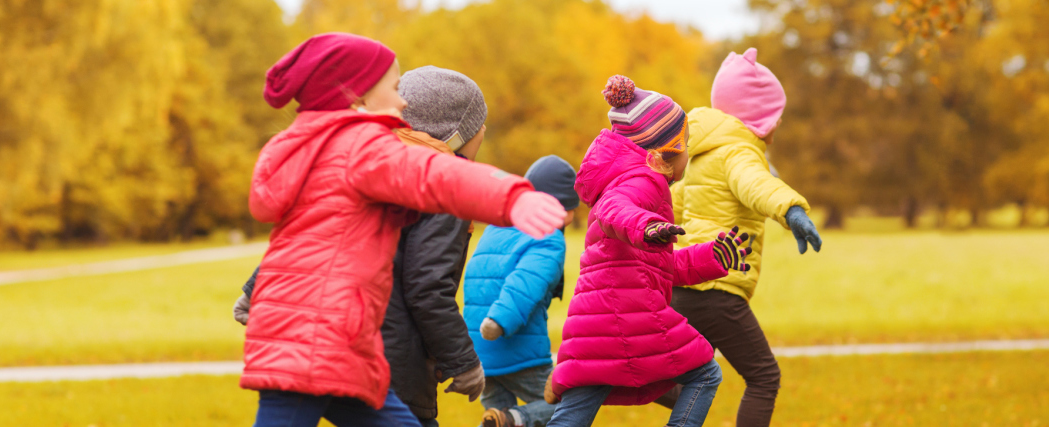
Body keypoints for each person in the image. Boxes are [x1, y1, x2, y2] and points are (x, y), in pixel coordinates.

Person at [238, 33, 567, 427]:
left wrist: (253, 292)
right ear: (357, 96)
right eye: (394, 88)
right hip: (318, 346)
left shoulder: (315, 151)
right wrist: (512, 195)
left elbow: (310, 238)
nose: (403, 101)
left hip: (337, 347)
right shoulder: (371, 150)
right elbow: (438, 176)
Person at [544, 75, 752, 427]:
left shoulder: (628, 178)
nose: (689, 151)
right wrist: (647, 226)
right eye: (685, 143)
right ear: (665, 153)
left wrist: (713, 258)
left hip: (596, 324)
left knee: (574, 411)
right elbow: (615, 211)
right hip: (627, 315)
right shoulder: (641, 181)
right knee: (705, 374)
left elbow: (658, 266)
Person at [660, 47, 823, 427]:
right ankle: (607, 381)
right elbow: (756, 185)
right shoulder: (739, 152)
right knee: (764, 378)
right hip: (719, 288)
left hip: (684, 285)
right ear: (760, 118)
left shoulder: (699, 155)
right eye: (776, 116)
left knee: (692, 380)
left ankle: (611, 381)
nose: (778, 124)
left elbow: (671, 209)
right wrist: (791, 210)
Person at [463, 155, 580, 427]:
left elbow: (477, 280)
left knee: (498, 418)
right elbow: (525, 282)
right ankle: (518, 418)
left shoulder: (496, 228)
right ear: (560, 207)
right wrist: (501, 321)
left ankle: (504, 420)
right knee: (570, 405)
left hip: (481, 352)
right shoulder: (547, 237)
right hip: (516, 348)